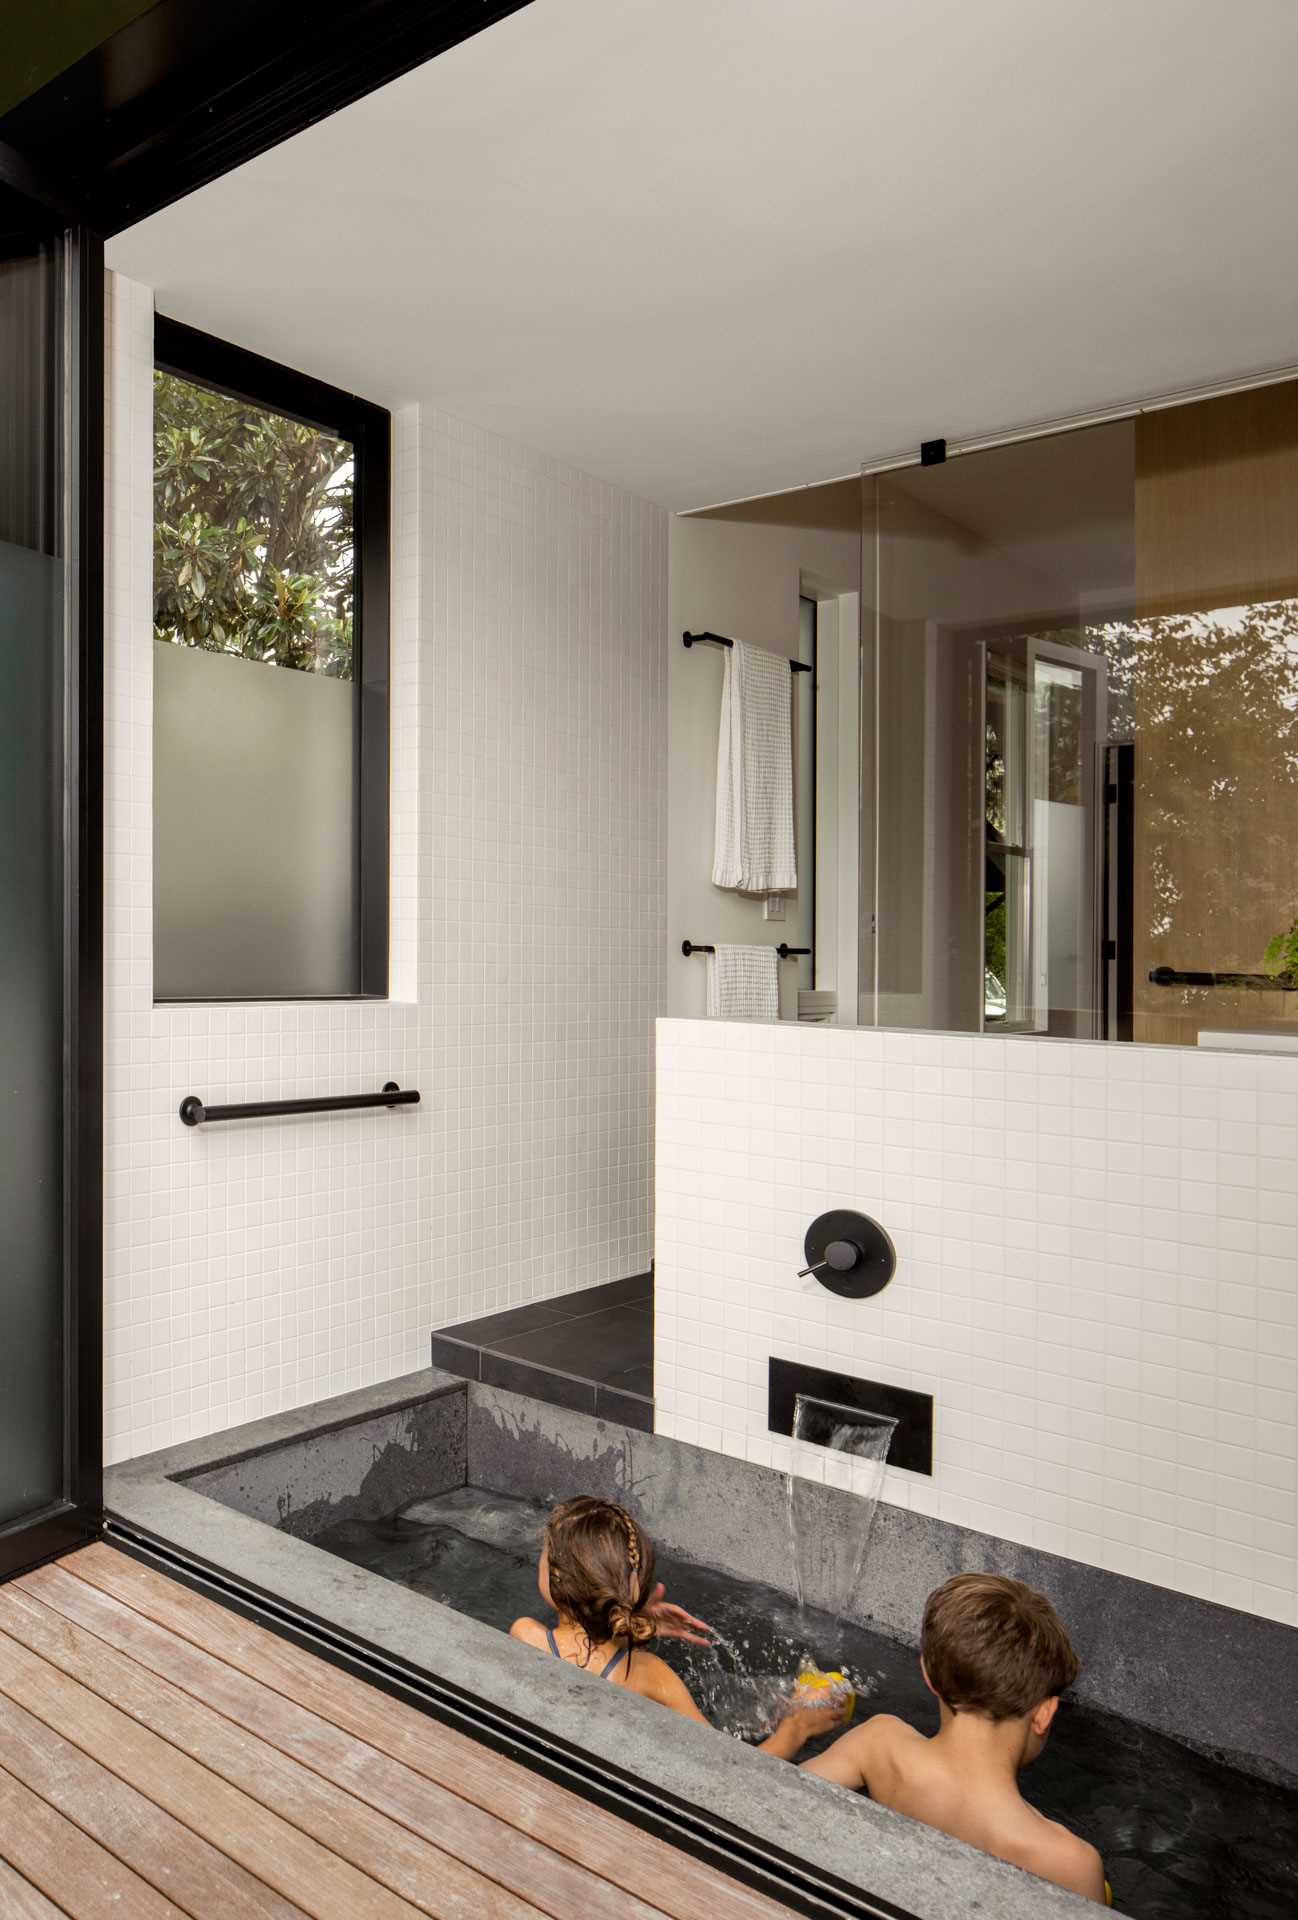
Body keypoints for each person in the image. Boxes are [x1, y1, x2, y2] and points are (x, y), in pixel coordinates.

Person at [802, 1571, 1109, 1906]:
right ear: (1044, 1713)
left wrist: (795, 1729)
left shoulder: (878, 1744)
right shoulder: (1068, 1862)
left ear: (929, 1675)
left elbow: (770, 1798)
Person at [510, 1495, 850, 1760]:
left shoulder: (526, 1635)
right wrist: (796, 1728)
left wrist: (634, 1617)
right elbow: (731, 1769)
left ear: (554, 1579)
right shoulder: (648, 1673)